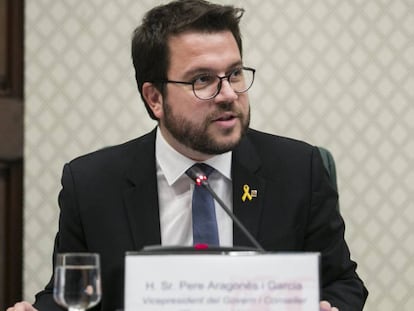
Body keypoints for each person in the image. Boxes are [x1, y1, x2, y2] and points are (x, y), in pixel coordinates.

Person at [8, 0, 368, 310]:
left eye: (235, 74)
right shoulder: (91, 185)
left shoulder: (298, 170)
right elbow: (71, 294)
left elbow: (343, 283)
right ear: (154, 98)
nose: (228, 93)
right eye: (202, 80)